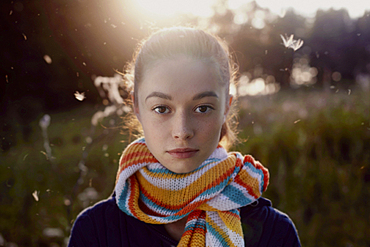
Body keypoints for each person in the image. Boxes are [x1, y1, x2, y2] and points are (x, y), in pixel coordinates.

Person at [68, 27, 301, 247]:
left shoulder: (274, 233)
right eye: (161, 109)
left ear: (226, 108)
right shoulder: (95, 231)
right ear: (136, 107)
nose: (182, 131)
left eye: (202, 108)